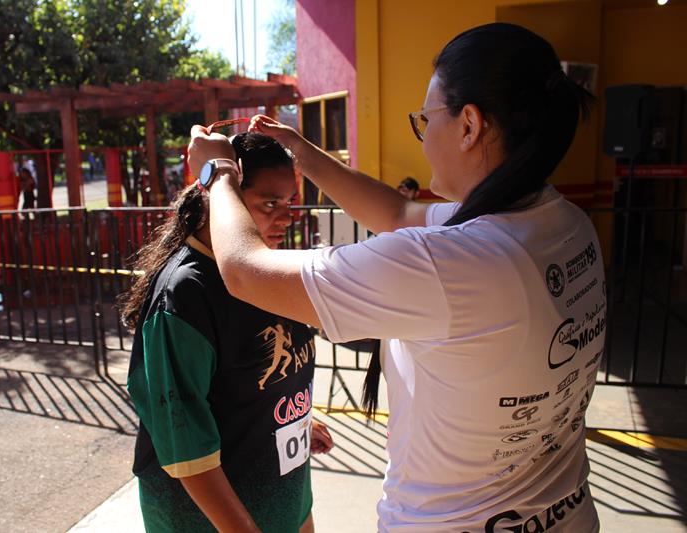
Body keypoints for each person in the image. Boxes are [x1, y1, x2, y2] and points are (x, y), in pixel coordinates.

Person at [188, 23, 604, 532]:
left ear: (469, 124)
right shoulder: (561, 223)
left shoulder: (450, 266)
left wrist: (218, 177)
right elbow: (399, 210)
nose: (424, 135)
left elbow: (246, 272)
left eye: (424, 119)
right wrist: (300, 151)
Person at [122, 132, 333, 533]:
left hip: (284, 499)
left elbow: (252, 376)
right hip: (211, 520)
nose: (287, 217)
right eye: (271, 203)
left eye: (289, 202)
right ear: (219, 197)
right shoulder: (185, 292)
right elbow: (182, 439)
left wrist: (296, 415)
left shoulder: (266, 270)